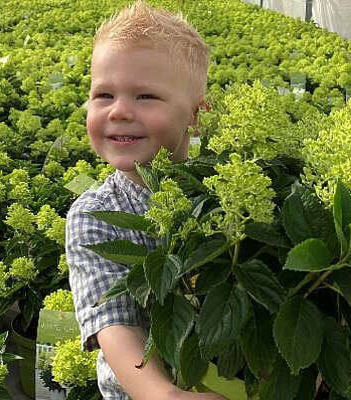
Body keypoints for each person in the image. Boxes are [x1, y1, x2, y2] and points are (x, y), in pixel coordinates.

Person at [66, 1, 226, 399]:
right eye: (103, 94)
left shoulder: (226, 192)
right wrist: (163, 394)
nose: (119, 111)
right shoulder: (95, 216)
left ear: (196, 114)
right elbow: (115, 325)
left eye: (146, 96)